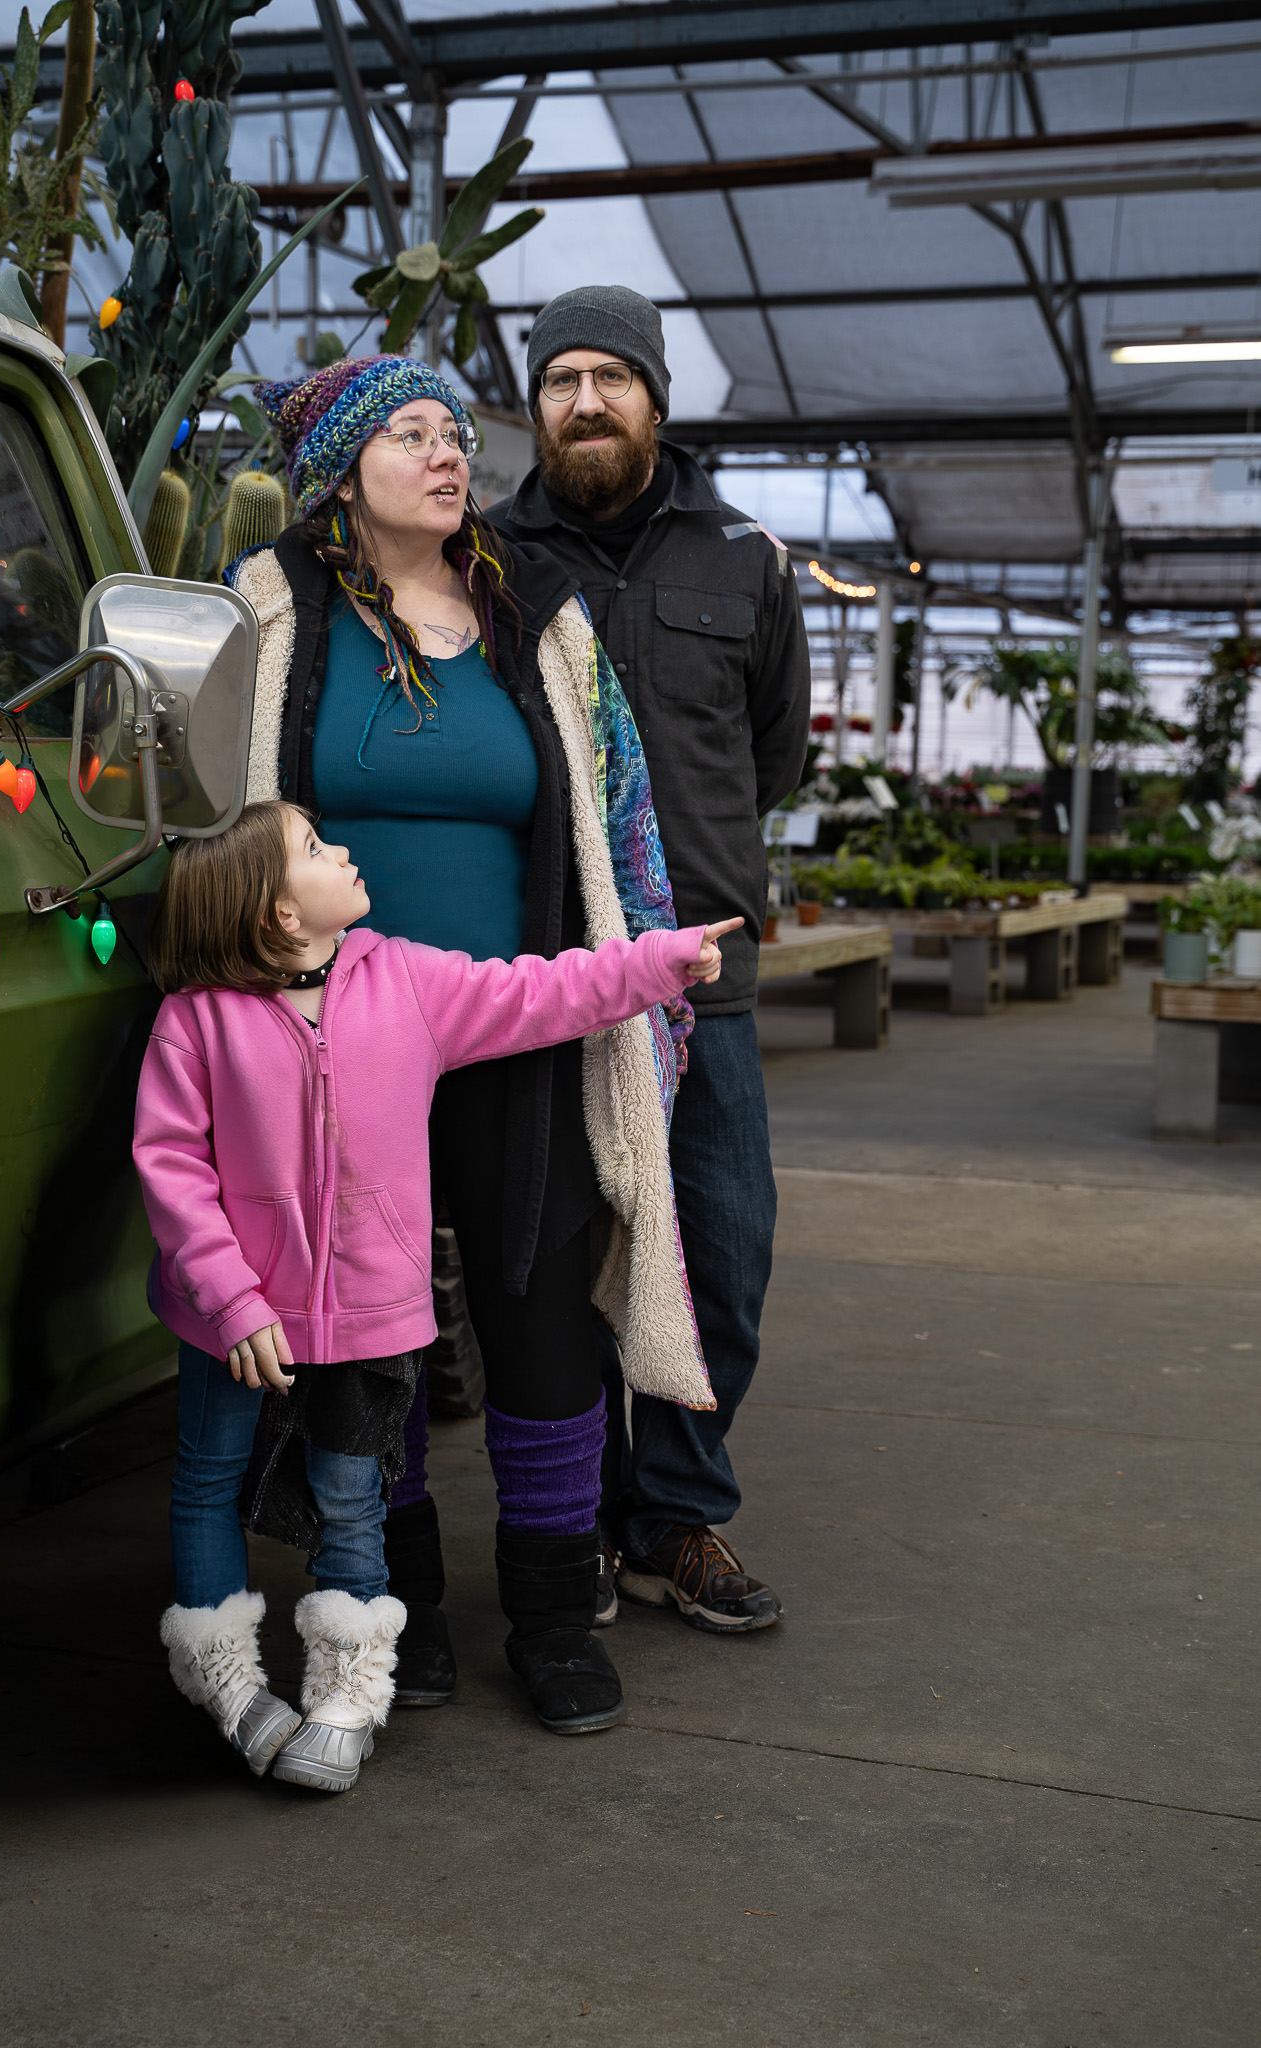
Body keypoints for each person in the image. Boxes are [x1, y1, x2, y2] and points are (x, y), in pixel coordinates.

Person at [223, 351, 719, 1734]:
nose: (450, 455)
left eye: (455, 434)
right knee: (362, 1329)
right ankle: (404, 1602)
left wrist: (650, 993)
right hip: (333, 1045)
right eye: (413, 436)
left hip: (520, 1028)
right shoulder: (277, 613)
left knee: (542, 1316)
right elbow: (218, 815)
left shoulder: (536, 619)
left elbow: (619, 817)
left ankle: (556, 1613)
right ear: (343, 469)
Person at [134, 798, 736, 1782]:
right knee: (208, 1483)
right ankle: (228, 1683)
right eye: (317, 850)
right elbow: (170, 1166)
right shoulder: (195, 1020)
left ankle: (347, 1694)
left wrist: (659, 961)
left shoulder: (403, 980)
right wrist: (232, 1299)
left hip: (367, 1316)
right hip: (229, 1319)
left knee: (352, 1500)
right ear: (281, 913)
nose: (345, 852)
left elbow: (538, 993)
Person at [490, 286, 813, 1634]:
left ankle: (670, 1519)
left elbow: (773, 750)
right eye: (558, 378)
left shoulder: (744, 556)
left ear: (656, 396)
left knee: (724, 1252)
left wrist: (714, 877)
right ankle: (580, 1521)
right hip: (545, 976)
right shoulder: (486, 555)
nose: (583, 401)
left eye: (607, 377)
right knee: (561, 1263)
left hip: (702, 982)